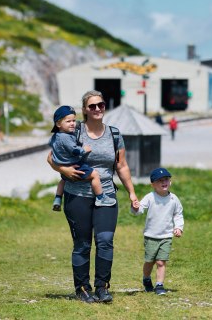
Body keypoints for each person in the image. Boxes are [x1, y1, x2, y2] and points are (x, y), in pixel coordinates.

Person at [47, 90, 138, 304]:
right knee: (83, 244)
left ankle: (102, 287)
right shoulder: (73, 130)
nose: (97, 109)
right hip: (77, 194)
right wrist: (65, 171)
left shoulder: (114, 134)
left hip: (106, 194)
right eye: (92, 106)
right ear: (84, 110)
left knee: (105, 241)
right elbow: (51, 157)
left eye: (101, 105)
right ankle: (82, 288)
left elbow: (121, 165)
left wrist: (132, 193)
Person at [130, 167, 184, 295]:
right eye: (160, 181)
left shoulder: (174, 199)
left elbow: (178, 214)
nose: (164, 182)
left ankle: (159, 285)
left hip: (166, 236)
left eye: (166, 179)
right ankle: (146, 279)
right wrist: (135, 207)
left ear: (170, 182)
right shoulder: (150, 197)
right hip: (151, 236)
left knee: (161, 262)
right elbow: (140, 210)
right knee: (150, 261)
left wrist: (178, 227)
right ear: (153, 184)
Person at [48, 105, 112, 212]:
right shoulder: (66, 137)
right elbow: (75, 151)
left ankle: (58, 198)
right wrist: (84, 149)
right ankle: (101, 197)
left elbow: (52, 147)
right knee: (95, 175)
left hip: (63, 167)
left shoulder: (56, 136)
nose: (73, 123)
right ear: (58, 123)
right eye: (68, 121)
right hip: (75, 166)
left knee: (63, 180)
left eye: (74, 120)